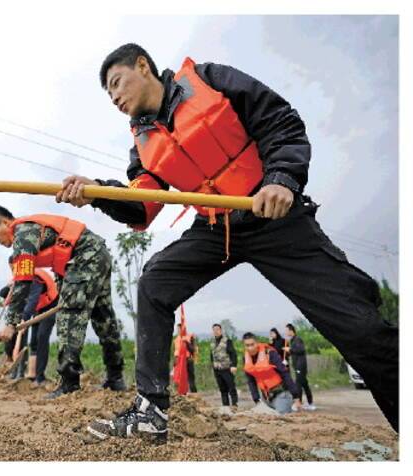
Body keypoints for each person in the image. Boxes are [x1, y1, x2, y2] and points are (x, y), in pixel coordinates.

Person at [71, 43, 398, 442]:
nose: (115, 98)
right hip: (215, 228)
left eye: (117, 84)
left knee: (362, 329)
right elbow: (143, 205)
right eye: (108, 94)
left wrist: (282, 179)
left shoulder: (210, 80)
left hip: (271, 215)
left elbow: (280, 121)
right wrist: (98, 192)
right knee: (155, 282)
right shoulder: (142, 140)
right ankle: (150, 409)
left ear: (143, 66)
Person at [0, 206, 126, 398]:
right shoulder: (32, 231)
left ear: (5, 223)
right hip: (97, 254)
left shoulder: (22, 233)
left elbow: (23, 281)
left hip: (85, 257)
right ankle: (115, 378)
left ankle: (69, 382)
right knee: (103, 316)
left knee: (69, 317)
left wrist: (11, 323)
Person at [0, 267, 59, 384]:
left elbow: (32, 300)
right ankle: (32, 375)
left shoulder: (34, 278)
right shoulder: (19, 279)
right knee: (33, 341)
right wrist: (9, 286)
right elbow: (3, 294)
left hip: (50, 305)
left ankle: (40, 377)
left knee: (42, 337)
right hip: (38, 308)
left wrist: (24, 320)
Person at [242, 333, 300, 414]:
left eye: (252, 344)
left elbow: (285, 373)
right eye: (247, 345)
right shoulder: (245, 358)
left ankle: (291, 408)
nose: (250, 348)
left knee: (279, 417)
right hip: (266, 398)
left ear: (257, 343)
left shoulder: (270, 353)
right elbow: (251, 381)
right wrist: (256, 400)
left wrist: (296, 396)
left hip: (281, 395)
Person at [285, 323, 316, 411]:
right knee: (304, 384)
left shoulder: (298, 339)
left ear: (291, 331)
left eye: (287, 331)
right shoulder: (292, 340)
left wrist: (290, 349)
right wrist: (288, 351)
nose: (286, 332)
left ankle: (298, 404)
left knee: (298, 384)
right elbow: (295, 352)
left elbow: (301, 350)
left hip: (300, 366)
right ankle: (310, 403)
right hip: (297, 366)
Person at [210, 323, 238, 409]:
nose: (216, 331)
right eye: (214, 330)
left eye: (217, 329)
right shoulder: (212, 342)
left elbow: (233, 354)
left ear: (221, 330)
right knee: (222, 389)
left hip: (226, 368)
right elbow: (211, 355)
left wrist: (233, 365)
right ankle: (225, 406)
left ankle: (234, 405)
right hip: (217, 369)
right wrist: (213, 364)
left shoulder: (227, 341)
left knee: (231, 387)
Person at [173, 323, 197, 393]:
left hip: (188, 360)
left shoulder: (189, 337)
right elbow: (175, 351)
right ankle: (183, 395)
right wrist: (175, 363)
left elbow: (193, 350)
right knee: (180, 380)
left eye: (180, 329)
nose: (179, 330)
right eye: (178, 329)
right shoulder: (176, 339)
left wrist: (186, 343)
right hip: (179, 362)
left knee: (191, 379)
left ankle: (194, 394)